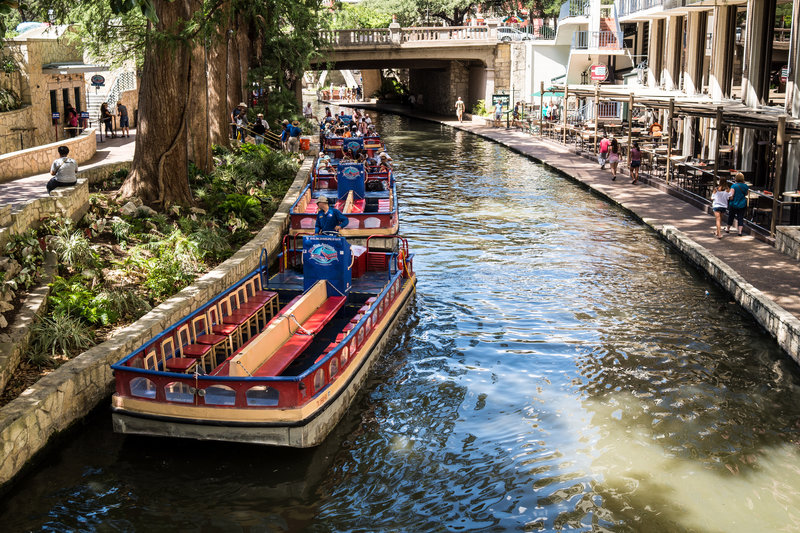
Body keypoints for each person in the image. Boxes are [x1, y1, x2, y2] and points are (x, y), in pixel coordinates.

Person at [725, 172, 749, 236]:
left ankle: (727, 228)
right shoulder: (746, 186)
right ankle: (740, 232)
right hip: (742, 203)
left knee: (731, 216)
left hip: (734, 203)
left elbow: (731, 195)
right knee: (740, 217)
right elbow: (746, 194)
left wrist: (730, 198)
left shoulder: (734, 186)